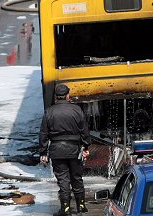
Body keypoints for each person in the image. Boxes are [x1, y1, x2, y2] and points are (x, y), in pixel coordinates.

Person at [39, 84, 91, 215]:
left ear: (56, 97)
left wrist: (43, 152)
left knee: (63, 180)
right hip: (74, 149)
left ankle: (66, 208)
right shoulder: (77, 110)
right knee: (76, 177)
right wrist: (86, 146)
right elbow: (84, 130)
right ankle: (81, 206)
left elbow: (43, 134)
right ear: (68, 95)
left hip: (57, 150)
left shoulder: (49, 112)